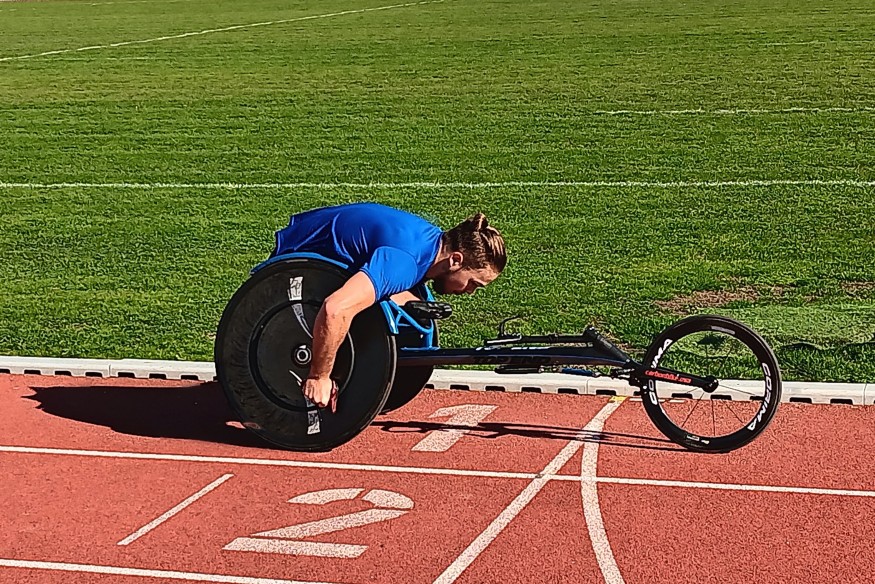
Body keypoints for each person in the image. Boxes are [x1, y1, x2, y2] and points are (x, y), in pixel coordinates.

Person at [269, 202, 507, 410]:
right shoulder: (405, 261)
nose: (470, 292)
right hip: (292, 264)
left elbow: (380, 274)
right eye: (473, 283)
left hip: (323, 249)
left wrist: (409, 303)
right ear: (456, 260)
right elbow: (335, 309)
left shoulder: (431, 242)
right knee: (344, 310)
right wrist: (318, 377)